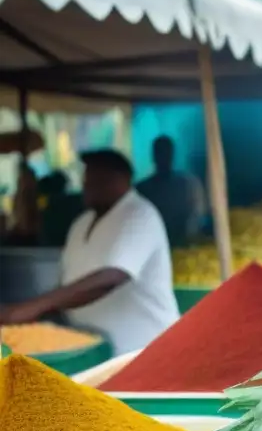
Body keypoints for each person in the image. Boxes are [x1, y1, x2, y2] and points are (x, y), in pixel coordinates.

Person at [0, 149, 180, 355]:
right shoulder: (81, 223)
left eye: (97, 179)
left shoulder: (139, 215)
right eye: (86, 178)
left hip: (145, 352)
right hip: (94, 351)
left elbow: (110, 277)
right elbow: (67, 285)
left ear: (121, 180)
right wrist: (31, 317)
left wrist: (31, 307)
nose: (86, 185)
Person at [135, 135, 206, 247]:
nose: (164, 157)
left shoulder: (188, 184)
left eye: (166, 153)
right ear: (154, 155)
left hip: (184, 245)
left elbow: (197, 215)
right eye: (161, 152)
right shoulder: (142, 189)